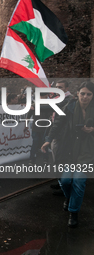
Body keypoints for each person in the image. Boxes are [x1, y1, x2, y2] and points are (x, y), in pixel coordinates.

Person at [41, 81, 94, 228]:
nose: (85, 97)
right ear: (77, 94)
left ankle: (73, 212)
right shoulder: (69, 107)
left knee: (78, 181)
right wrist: (48, 140)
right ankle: (69, 197)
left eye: (89, 94)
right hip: (69, 149)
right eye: (82, 93)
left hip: (87, 151)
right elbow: (57, 124)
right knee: (65, 181)